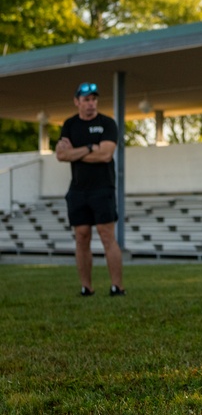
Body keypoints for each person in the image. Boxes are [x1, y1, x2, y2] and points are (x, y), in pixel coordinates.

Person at [54, 82, 126, 297]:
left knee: (107, 236)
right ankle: (86, 287)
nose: (91, 103)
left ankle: (117, 287)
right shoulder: (69, 125)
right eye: (86, 99)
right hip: (77, 190)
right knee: (81, 236)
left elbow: (105, 154)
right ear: (77, 102)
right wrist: (88, 148)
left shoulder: (107, 124)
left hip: (102, 188)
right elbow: (61, 155)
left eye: (94, 99)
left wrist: (75, 152)